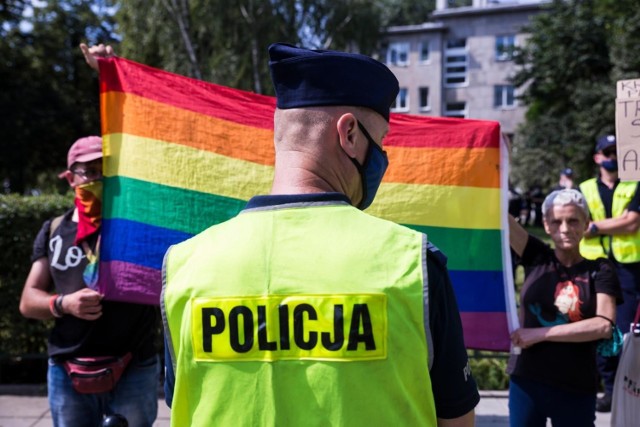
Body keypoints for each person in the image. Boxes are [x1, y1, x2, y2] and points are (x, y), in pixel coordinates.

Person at [161, 43, 479, 426]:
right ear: (348, 133)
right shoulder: (413, 261)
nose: (381, 155)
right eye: (379, 141)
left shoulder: (184, 265)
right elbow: (456, 420)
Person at [19, 136, 160, 427]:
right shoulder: (53, 230)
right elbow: (28, 301)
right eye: (90, 171)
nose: (100, 178)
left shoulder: (139, 225)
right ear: (71, 178)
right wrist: (63, 304)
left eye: (106, 170)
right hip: (67, 367)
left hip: (134, 365)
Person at [507, 189, 622, 426]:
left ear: (586, 224)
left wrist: (539, 334)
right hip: (527, 380)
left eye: (572, 220)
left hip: (576, 385)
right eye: (556, 221)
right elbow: (497, 215)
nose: (564, 228)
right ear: (546, 225)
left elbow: (603, 325)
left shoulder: (600, 269)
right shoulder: (536, 257)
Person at [579, 134, 640, 412]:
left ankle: (623, 388)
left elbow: (631, 224)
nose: (612, 157)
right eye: (607, 152)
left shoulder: (634, 184)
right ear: (597, 157)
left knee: (625, 330)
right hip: (594, 266)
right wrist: (610, 224)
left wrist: (594, 227)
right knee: (597, 327)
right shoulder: (585, 188)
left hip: (627, 268)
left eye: (616, 151)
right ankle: (608, 389)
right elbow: (577, 223)